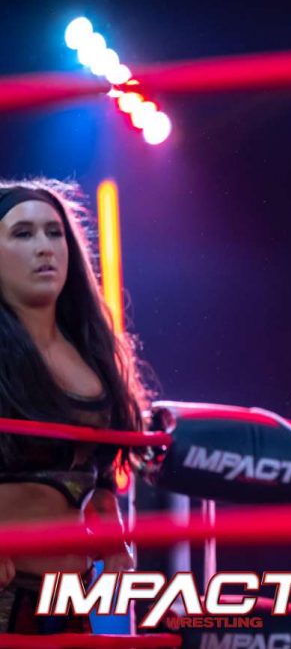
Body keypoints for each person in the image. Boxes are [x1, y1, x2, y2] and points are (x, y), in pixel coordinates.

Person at [0, 179, 149, 633]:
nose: (44, 247)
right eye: (22, 234)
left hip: (70, 596)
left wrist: (113, 538)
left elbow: (96, 474)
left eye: (54, 232)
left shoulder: (93, 348)